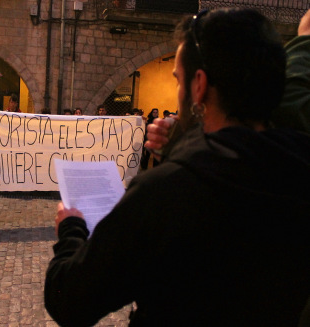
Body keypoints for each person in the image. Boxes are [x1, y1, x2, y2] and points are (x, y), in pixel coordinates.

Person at [45, 8, 310, 326]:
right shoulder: (299, 171)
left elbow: (69, 298)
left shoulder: (166, 192)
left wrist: (71, 230)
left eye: (179, 81)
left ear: (199, 85)